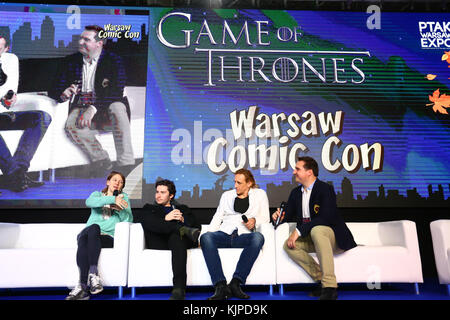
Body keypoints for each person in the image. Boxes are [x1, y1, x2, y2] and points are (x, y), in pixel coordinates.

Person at [49, 25, 134, 177]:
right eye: (80, 38)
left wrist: (93, 109)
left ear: (99, 43)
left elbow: (116, 91)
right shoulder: (70, 61)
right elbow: (53, 89)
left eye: (86, 39)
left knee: (118, 108)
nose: (81, 42)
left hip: (106, 104)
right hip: (81, 104)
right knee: (71, 124)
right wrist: (64, 92)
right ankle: (102, 160)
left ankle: (126, 164)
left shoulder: (114, 61)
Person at [272, 156, 357, 300]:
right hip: (312, 238)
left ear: (309, 172)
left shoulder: (325, 189)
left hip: (332, 238)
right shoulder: (295, 193)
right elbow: (287, 217)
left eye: (297, 169)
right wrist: (278, 217)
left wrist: (298, 231)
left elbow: (325, 218)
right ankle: (321, 281)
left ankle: (330, 287)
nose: (294, 172)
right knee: (289, 246)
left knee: (317, 230)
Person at [200, 168, 269, 300]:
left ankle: (236, 283)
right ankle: (220, 286)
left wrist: (254, 221)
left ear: (249, 183)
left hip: (243, 236)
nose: (235, 185)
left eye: (239, 183)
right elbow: (217, 217)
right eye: (235, 182)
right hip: (224, 234)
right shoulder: (226, 195)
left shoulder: (260, 194)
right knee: (206, 237)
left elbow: (266, 218)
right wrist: (207, 235)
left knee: (258, 238)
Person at [65, 171, 133, 300]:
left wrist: (120, 211)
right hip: (89, 234)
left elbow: (129, 219)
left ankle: (82, 287)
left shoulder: (124, 198)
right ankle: (93, 275)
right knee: (93, 229)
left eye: (121, 182)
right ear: (108, 182)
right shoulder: (97, 195)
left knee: (84, 241)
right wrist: (112, 199)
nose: (118, 183)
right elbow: (89, 202)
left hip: (106, 237)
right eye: (115, 180)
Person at [0, 35, 51, 192]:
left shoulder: (10, 60)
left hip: (3, 113)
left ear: (6, 49)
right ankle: (14, 174)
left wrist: (9, 98)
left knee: (42, 117)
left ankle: (19, 171)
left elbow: (9, 91)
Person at [137, 179, 200, 300]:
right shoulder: (149, 208)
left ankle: (179, 289)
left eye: (162, 192)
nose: (158, 195)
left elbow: (197, 225)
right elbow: (148, 223)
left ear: (171, 195)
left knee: (176, 238)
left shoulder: (182, 208)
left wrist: (183, 220)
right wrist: (166, 218)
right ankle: (184, 230)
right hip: (159, 241)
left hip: (177, 242)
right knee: (178, 233)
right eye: (157, 192)